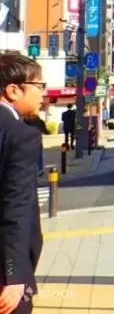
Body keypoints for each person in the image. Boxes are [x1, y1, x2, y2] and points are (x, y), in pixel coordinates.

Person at [0, 54, 45, 313]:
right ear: (14, 90)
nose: (43, 94)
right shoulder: (21, 136)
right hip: (5, 273)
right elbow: (16, 206)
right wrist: (15, 275)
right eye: (39, 86)